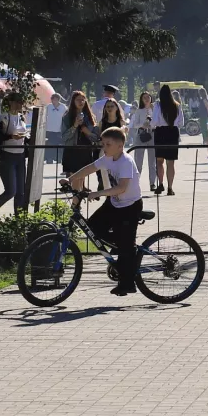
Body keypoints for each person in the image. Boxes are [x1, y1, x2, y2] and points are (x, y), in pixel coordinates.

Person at [68, 126, 146, 296]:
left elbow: (122, 188)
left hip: (130, 206)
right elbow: (90, 168)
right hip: (114, 203)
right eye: (103, 144)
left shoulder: (126, 161)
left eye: (108, 144)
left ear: (120, 146)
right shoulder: (107, 158)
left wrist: (98, 193)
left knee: (125, 248)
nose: (104, 148)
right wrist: (70, 179)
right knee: (93, 230)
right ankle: (123, 244)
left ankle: (127, 283)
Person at [0, 93, 30, 215]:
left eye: (22, 101)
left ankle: (18, 222)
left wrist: (30, 139)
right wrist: (10, 136)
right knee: (10, 191)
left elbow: (23, 135)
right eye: (18, 101)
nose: (21, 104)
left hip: (21, 156)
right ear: (11, 102)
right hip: (7, 156)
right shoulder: (3, 117)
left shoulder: (22, 117)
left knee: (21, 192)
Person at [151, 84, 181, 195]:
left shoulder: (158, 105)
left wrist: (152, 124)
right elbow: (181, 122)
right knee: (171, 162)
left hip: (160, 132)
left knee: (159, 161)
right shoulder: (177, 105)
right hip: (173, 132)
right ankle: (170, 187)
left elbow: (154, 121)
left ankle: (161, 184)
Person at [62, 90, 99, 178]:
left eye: (83, 100)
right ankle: (75, 190)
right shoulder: (67, 116)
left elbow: (96, 137)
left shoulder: (91, 117)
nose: (81, 102)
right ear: (73, 101)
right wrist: (74, 126)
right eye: (78, 100)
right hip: (72, 148)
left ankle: (82, 188)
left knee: (83, 173)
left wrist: (88, 133)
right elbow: (64, 137)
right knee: (73, 174)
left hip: (85, 148)